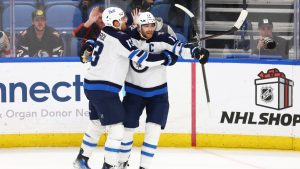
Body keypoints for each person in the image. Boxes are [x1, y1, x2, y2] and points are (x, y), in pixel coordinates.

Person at [72, 7, 179, 169]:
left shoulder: (104, 33)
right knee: (116, 130)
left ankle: (81, 159)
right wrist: (164, 57)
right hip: (105, 90)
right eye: (122, 19)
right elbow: (144, 58)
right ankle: (109, 166)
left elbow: (90, 42)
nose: (126, 20)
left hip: (91, 85)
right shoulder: (120, 38)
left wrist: (90, 44)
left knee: (96, 124)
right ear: (114, 22)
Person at [118, 12, 209, 169]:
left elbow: (180, 48)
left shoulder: (163, 37)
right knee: (127, 131)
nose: (150, 29)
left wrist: (195, 52)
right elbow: (111, 40)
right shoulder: (127, 37)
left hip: (158, 95)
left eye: (152, 25)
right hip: (133, 93)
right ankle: (122, 162)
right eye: (146, 25)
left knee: (153, 132)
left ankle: (144, 166)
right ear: (138, 26)